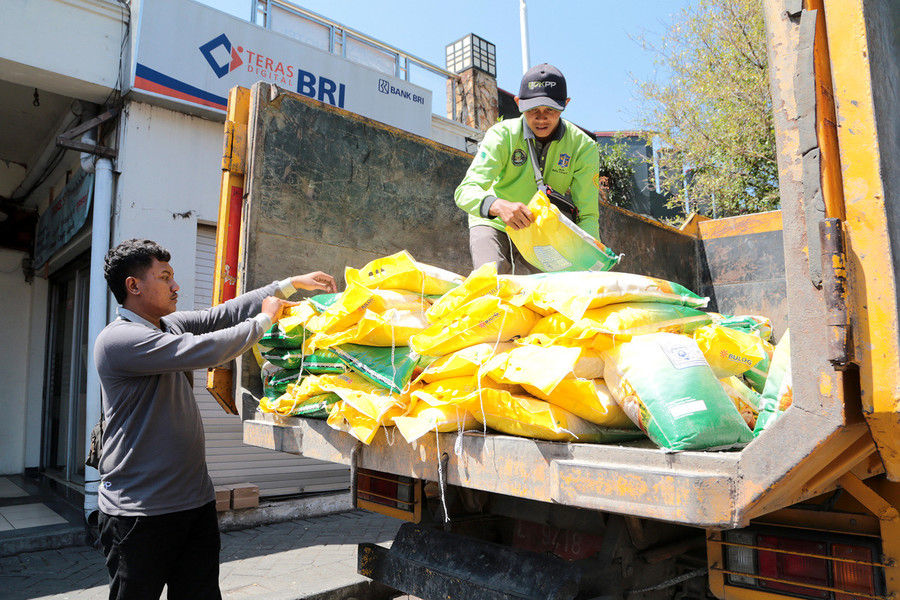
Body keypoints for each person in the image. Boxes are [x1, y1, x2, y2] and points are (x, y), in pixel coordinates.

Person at [93, 238, 336, 600]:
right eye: (165, 277)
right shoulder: (120, 341)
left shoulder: (166, 325)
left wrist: (289, 284)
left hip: (193, 504)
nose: (176, 286)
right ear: (134, 286)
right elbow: (208, 347)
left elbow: (221, 315)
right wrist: (266, 318)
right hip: (140, 514)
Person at [454, 63, 600, 274]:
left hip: (541, 229)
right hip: (494, 221)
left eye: (550, 109)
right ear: (518, 103)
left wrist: (591, 260)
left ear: (565, 104)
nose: (541, 118)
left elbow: (587, 215)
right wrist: (497, 206)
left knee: (548, 294)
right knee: (490, 281)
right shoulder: (501, 135)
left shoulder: (583, 147)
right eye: (533, 110)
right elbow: (465, 191)